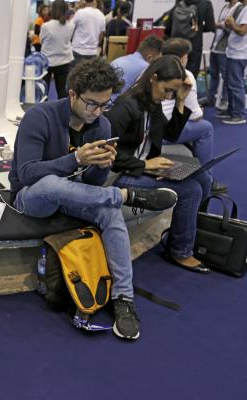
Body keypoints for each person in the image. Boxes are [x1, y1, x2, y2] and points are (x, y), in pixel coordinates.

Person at [9, 57, 178, 340]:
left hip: (77, 194)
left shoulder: (101, 126)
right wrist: (75, 158)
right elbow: (27, 174)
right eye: (91, 104)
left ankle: (124, 298)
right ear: (72, 94)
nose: (98, 111)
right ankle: (124, 195)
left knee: (110, 212)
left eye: (104, 105)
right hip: (31, 198)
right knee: (52, 184)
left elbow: (90, 184)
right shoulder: (40, 116)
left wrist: (102, 168)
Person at [106, 55, 212, 274]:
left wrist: (181, 101)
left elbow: (171, 134)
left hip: (142, 165)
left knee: (203, 178)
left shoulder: (151, 104)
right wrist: (144, 165)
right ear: (153, 79)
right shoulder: (126, 106)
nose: (168, 97)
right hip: (118, 174)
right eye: (168, 90)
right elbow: (105, 153)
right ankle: (181, 251)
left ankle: (195, 233)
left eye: (172, 92)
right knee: (191, 190)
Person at [161, 38, 228, 193]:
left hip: (148, 128)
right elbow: (195, 117)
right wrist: (199, 111)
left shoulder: (150, 69)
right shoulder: (186, 76)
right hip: (164, 133)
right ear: (184, 57)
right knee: (206, 128)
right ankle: (208, 179)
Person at [219, 0, 247, 124]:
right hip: (236, 52)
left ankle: (238, 115)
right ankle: (233, 111)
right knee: (232, 84)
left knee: (235, 85)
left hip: (240, 53)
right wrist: (230, 24)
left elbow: (242, 31)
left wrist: (232, 24)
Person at [166, 0, 215, 77]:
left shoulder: (180, 2)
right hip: (194, 46)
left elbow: (168, 26)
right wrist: (198, 28)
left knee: (174, 74)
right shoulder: (206, 3)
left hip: (176, 45)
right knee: (191, 76)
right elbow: (210, 26)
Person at [208, 0, 242, 110]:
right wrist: (217, 25)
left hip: (226, 48)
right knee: (213, 74)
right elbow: (221, 24)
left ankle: (224, 100)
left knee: (226, 77)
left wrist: (219, 25)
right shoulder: (225, 7)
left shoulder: (239, 8)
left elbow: (234, 28)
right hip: (215, 46)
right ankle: (210, 98)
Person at [40, 0, 74, 99]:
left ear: (53, 10)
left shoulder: (46, 26)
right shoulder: (71, 25)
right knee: (62, 92)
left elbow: (42, 40)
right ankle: (63, 113)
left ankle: (43, 112)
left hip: (47, 62)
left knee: (44, 92)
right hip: (64, 61)